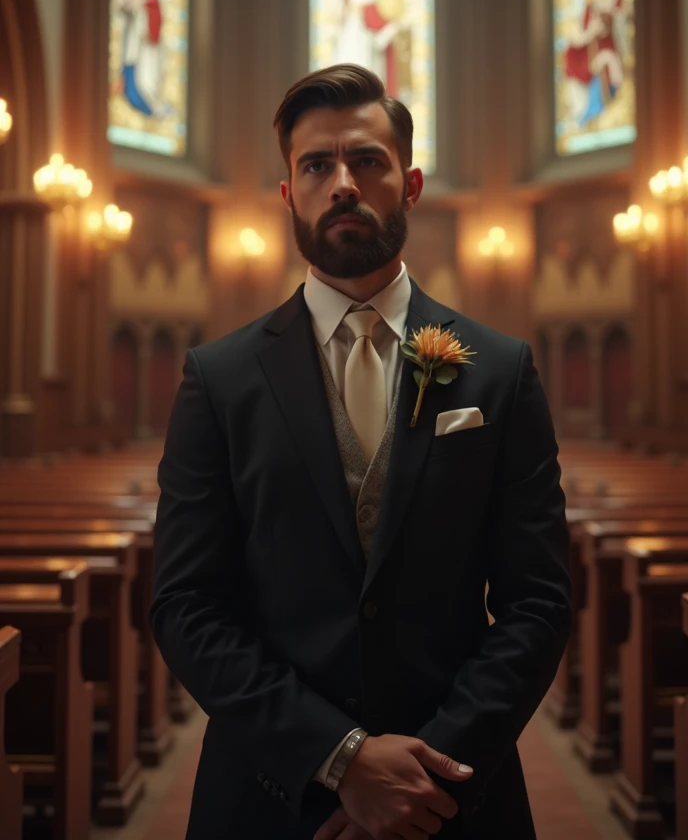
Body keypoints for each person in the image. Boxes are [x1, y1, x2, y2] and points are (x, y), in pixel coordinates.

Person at [150, 63, 572, 839]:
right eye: (316, 165)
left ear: (409, 185)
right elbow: (185, 606)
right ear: (288, 195)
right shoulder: (219, 379)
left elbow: (539, 600)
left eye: (367, 162)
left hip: (456, 799)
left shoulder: (501, 369)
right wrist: (339, 761)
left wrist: (428, 774)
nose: (342, 183)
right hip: (270, 796)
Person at [563, 0, 629, 130]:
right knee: (581, 60)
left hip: (609, 41)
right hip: (592, 44)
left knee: (609, 62)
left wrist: (610, 17)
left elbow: (622, 14)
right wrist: (589, 31)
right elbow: (585, 21)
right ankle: (590, 114)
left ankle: (608, 107)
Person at [332, 0, 406, 95]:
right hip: (351, 31)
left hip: (366, 31)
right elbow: (341, 13)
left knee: (369, 63)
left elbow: (375, 13)